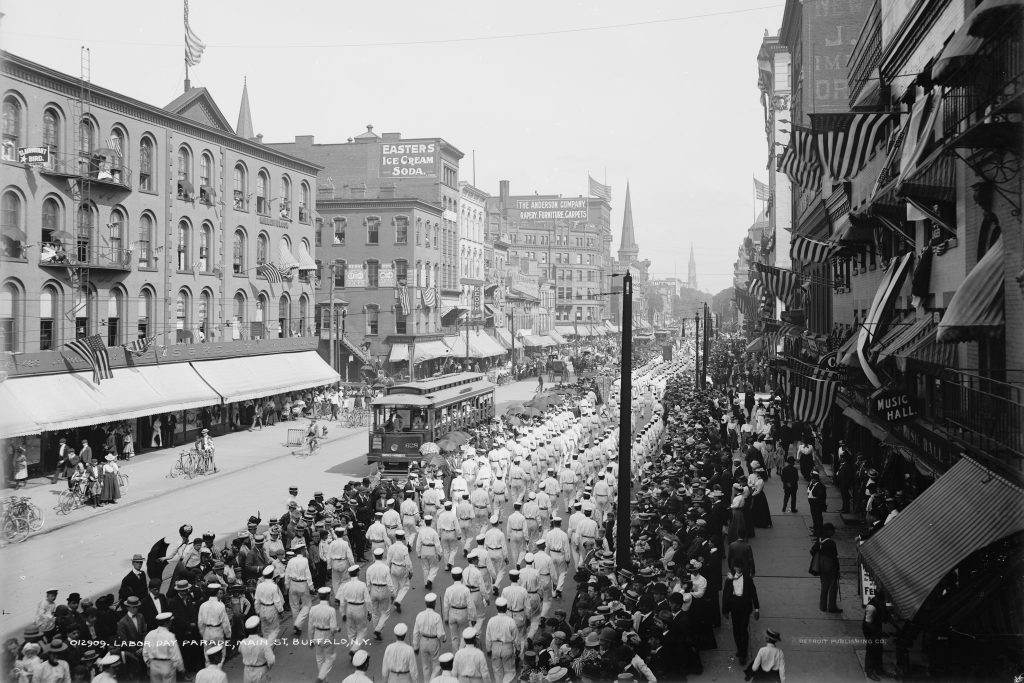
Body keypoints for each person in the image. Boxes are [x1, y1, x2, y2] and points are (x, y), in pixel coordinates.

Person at [722, 559, 759, 664]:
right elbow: (725, 595)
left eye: (740, 567)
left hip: (744, 607)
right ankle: (739, 649)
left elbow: (753, 594)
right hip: (734, 606)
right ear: (734, 568)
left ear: (743, 568)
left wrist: (757, 608)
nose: (739, 569)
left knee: (743, 630)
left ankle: (743, 654)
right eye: (737, 567)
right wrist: (725, 610)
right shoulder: (729, 579)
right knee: (736, 630)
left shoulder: (748, 579)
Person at [815, 523, 841, 613]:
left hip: (822, 567)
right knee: (833, 587)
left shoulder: (819, 540)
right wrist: (837, 570)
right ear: (828, 531)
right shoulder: (831, 542)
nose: (834, 532)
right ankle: (832, 607)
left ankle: (823, 606)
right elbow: (835, 557)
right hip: (831, 568)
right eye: (832, 530)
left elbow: (812, 551)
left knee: (824, 586)